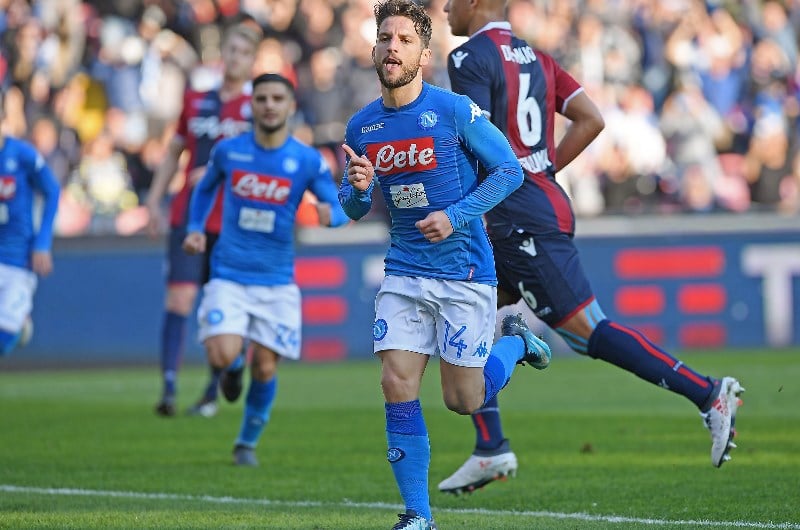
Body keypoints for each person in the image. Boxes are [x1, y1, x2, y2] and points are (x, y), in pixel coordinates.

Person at [436, 0, 746, 495]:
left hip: (513, 217)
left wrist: (456, 206)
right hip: (536, 205)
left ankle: (708, 394)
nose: (446, 8)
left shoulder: (469, 57)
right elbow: (590, 118)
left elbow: (473, 141)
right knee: (462, 316)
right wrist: (544, 171)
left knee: (587, 332)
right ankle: (491, 447)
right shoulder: (538, 57)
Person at [338, 1, 551, 528]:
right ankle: (418, 515)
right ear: (373, 49)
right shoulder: (362, 127)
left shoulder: (453, 110)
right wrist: (358, 190)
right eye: (385, 37)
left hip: (464, 270)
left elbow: (508, 172)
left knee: (465, 399)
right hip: (405, 270)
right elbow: (352, 206)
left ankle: (516, 341)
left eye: (405, 40)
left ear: (424, 54)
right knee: (395, 382)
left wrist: (455, 216)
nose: (393, 47)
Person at [183, 72, 350, 467]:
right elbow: (204, 188)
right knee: (222, 353)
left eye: (278, 98)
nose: (270, 105)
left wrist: (333, 216)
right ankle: (231, 366)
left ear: (291, 106)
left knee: (267, 364)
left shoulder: (306, 160)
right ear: (251, 105)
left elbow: (341, 207)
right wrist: (194, 228)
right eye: (262, 98)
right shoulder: (229, 152)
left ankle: (246, 444)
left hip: (277, 281)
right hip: (229, 272)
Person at [146, 21, 261, 418]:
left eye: (244, 53)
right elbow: (175, 151)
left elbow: (265, 165)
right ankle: (169, 388)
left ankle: (212, 392)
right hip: (188, 213)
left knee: (221, 306)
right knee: (178, 298)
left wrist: (218, 170)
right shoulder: (196, 99)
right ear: (222, 54)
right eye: (231, 50)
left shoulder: (258, 107)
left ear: (252, 61)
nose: (235, 59)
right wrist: (155, 199)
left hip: (233, 220)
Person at [0, 89, 60, 357]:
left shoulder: (21, 154)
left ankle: (17, 325)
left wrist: (43, 241)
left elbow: (52, 190)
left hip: (17, 256)